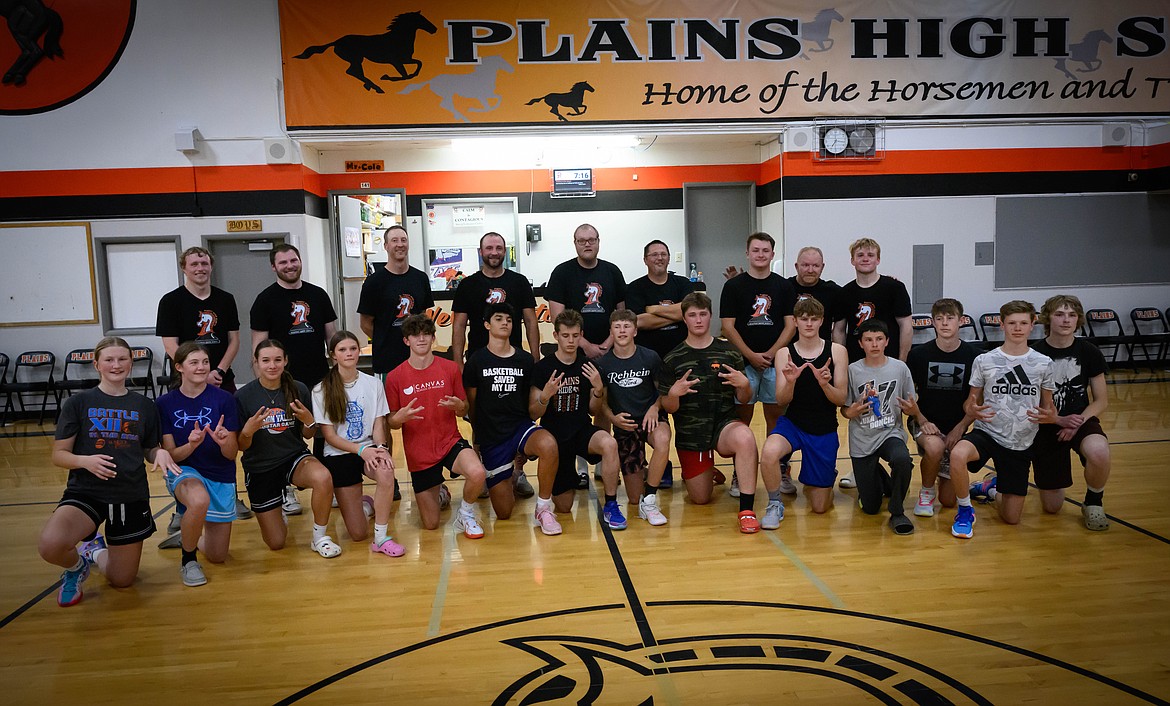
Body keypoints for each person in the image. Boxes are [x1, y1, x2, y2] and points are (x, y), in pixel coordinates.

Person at [37, 337, 180, 607]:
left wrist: (159, 452)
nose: (116, 365)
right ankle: (76, 567)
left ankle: (95, 551)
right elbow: (59, 455)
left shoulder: (145, 406)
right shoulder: (78, 403)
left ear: (130, 363)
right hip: (86, 491)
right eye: (109, 360)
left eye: (122, 359)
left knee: (122, 579)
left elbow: (150, 449)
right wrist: (85, 461)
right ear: (97, 365)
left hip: (130, 493)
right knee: (50, 544)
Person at [156, 246, 248, 523]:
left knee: (225, 438)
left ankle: (229, 493)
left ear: (211, 266)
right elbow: (170, 343)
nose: (200, 268)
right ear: (184, 267)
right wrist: (195, 369)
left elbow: (234, 340)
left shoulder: (225, 298)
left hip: (221, 377)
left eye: (205, 263)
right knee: (185, 440)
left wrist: (218, 369)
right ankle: (181, 503)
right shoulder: (171, 301)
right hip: (188, 379)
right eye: (194, 263)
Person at [948, 300, 1055, 539]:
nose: (1018, 328)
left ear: (1032, 324)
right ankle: (965, 511)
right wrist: (971, 410)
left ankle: (991, 489)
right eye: (1012, 323)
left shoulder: (1044, 363)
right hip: (988, 432)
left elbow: (1049, 408)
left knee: (1011, 519)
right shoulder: (984, 361)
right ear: (1002, 324)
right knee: (957, 454)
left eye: (1023, 323)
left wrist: (1050, 417)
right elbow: (970, 402)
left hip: (1021, 441)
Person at [658, 292, 762, 533]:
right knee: (700, 498)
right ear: (684, 319)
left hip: (723, 425)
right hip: (692, 434)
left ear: (710, 317)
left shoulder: (729, 353)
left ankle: (746, 510)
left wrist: (745, 385)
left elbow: (744, 400)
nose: (698, 320)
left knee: (746, 437)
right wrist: (674, 393)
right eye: (692, 315)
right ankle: (706, 470)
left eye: (702, 314)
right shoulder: (673, 358)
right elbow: (669, 408)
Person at [249, 242, 339, 515]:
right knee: (284, 431)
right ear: (273, 266)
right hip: (283, 382)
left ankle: (328, 481)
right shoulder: (264, 300)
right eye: (283, 262)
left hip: (318, 378)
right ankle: (285, 489)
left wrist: (336, 375)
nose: (290, 266)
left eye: (293, 260)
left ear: (300, 261)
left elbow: (331, 337)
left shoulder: (318, 295)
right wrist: (266, 387)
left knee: (324, 429)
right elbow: (258, 349)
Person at [451, 231, 540, 499]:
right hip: (479, 364)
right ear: (481, 251)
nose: (494, 251)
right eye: (489, 247)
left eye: (499, 247)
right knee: (478, 419)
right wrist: (457, 363)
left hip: (515, 362)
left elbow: (531, 321)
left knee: (519, 415)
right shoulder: (468, 285)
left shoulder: (519, 282)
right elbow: (458, 326)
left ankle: (518, 471)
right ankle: (484, 468)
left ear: (505, 251)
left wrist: (534, 356)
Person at [236, 339, 341, 558]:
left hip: (294, 457)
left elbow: (308, 434)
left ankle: (319, 537)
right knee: (276, 543)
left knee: (323, 477)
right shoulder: (243, 396)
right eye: (265, 360)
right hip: (261, 466)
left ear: (285, 361)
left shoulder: (299, 389)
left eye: (277, 360)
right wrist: (248, 431)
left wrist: (310, 421)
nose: (272, 365)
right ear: (255, 362)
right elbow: (241, 446)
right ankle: (278, 507)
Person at [385, 315, 487, 538]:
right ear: (406, 341)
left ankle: (466, 514)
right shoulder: (394, 377)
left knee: (478, 472)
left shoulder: (450, 369)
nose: (421, 339)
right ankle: (441, 490)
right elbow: (391, 423)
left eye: (426, 334)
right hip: (419, 452)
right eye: (415, 335)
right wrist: (398, 417)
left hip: (449, 442)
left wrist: (459, 405)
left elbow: (464, 408)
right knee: (431, 524)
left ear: (433, 338)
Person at [463, 302, 560, 532]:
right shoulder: (476, 361)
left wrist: (544, 398)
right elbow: (473, 406)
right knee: (504, 513)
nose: (505, 322)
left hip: (520, 428)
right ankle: (510, 474)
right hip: (493, 438)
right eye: (498, 318)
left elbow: (533, 410)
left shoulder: (525, 360)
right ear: (486, 324)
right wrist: (479, 443)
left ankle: (544, 508)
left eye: (508, 319)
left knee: (548, 444)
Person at [154, 342, 241, 586]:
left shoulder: (225, 399)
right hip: (185, 471)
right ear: (179, 367)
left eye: (205, 362)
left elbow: (231, 454)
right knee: (198, 499)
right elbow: (172, 455)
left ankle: (186, 536)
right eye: (194, 362)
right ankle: (188, 559)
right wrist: (191, 445)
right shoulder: (164, 404)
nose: (201, 367)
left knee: (218, 555)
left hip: (220, 473)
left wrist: (223, 442)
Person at [530, 310, 625, 530]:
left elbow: (593, 410)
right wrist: (546, 396)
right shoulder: (543, 368)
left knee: (609, 444)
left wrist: (599, 390)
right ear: (556, 336)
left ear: (581, 335)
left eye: (575, 336)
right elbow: (533, 413)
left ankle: (611, 504)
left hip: (581, 431)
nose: (571, 341)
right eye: (565, 336)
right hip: (554, 438)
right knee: (564, 506)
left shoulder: (588, 367)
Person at [312, 331, 404, 556]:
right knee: (357, 533)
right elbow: (330, 437)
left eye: (353, 348)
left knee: (385, 471)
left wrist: (381, 448)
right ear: (333, 355)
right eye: (342, 350)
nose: (349, 353)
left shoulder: (373, 384)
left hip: (369, 448)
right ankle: (365, 505)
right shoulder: (321, 389)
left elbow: (378, 424)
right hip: (339, 453)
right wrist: (360, 450)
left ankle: (381, 538)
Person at [759, 297, 848, 526]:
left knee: (819, 508)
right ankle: (774, 503)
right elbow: (781, 400)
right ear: (796, 322)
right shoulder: (784, 354)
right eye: (804, 319)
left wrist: (824, 384)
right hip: (794, 423)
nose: (809, 324)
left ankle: (823, 478)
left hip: (823, 426)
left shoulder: (836, 351)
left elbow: (840, 399)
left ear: (822, 322)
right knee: (769, 452)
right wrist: (790, 381)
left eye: (814, 319)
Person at [719, 232, 796, 496]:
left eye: (766, 250)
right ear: (747, 253)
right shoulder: (734, 287)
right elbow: (727, 327)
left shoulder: (784, 286)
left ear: (772, 255)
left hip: (776, 364)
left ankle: (781, 471)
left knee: (777, 419)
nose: (761, 254)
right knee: (742, 421)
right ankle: (740, 474)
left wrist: (773, 353)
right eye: (756, 250)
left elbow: (790, 324)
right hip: (743, 364)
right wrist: (751, 355)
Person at [833, 237, 912, 490]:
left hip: (888, 364)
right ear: (852, 260)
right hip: (858, 366)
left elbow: (905, 325)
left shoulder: (894, 288)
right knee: (861, 416)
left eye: (870, 254)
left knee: (888, 415)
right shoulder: (845, 292)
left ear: (878, 259)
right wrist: (841, 365)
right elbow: (839, 330)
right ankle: (863, 467)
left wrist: (901, 361)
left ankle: (896, 459)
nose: (865, 258)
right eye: (860, 255)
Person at [1030, 294, 1112, 531]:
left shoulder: (1089, 351)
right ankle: (991, 484)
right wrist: (1057, 420)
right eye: (1059, 314)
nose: (1066, 320)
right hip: (1046, 426)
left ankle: (1094, 502)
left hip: (1080, 420)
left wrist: (1076, 422)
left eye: (1072, 315)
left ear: (1078, 320)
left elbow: (1101, 400)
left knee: (1099, 451)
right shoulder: (1034, 354)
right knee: (1052, 507)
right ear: (1048, 319)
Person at [841, 319, 922, 535]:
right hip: (862, 438)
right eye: (868, 340)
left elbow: (911, 406)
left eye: (879, 339)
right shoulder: (852, 370)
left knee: (902, 459)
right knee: (870, 508)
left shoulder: (900, 368)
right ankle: (878, 478)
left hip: (889, 433)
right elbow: (845, 411)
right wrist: (853, 412)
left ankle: (897, 510)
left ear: (887, 341)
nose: (874, 344)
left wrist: (910, 410)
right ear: (860, 344)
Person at [623, 239, 692, 489]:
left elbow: (690, 312)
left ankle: (692, 466)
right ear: (645, 260)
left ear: (669, 257)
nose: (659, 258)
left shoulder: (682, 283)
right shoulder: (636, 288)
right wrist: (675, 312)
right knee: (653, 420)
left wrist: (653, 310)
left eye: (663, 254)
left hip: (683, 361)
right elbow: (638, 322)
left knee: (685, 418)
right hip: (648, 365)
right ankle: (660, 467)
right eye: (654, 255)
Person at [905, 298, 981, 518]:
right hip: (924, 420)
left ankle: (981, 486)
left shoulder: (974, 356)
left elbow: (975, 401)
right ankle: (926, 493)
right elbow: (910, 397)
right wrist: (922, 420)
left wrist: (960, 428)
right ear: (933, 322)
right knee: (935, 447)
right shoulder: (918, 355)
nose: (945, 323)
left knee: (948, 501)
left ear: (961, 321)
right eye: (939, 319)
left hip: (957, 424)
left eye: (950, 318)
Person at [596, 310, 670, 526]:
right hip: (625, 427)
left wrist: (655, 407)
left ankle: (650, 500)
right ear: (611, 331)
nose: (622, 331)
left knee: (663, 439)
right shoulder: (604, 363)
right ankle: (642, 487)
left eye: (626, 326)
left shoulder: (650, 357)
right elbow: (602, 403)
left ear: (635, 331)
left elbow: (663, 392)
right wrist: (613, 419)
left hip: (651, 420)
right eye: (617, 327)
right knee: (632, 498)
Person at [358, 225, 435, 376]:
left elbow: (423, 316)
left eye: (403, 240)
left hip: (418, 360)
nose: (400, 244)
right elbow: (365, 323)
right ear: (386, 246)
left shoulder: (420, 278)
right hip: (387, 362)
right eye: (394, 240)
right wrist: (385, 339)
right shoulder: (373, 282)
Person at [546, 223, 627, 360]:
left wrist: (607, 345)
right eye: (581, 241)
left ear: (598, 242)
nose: (587, 244)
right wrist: (586, 346)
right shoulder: (561, 273)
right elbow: (557, 318)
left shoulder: (613, 272)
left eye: (591, 240)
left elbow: (622, 315)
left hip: (611, 351)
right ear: (575, 243)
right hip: (573, 352)